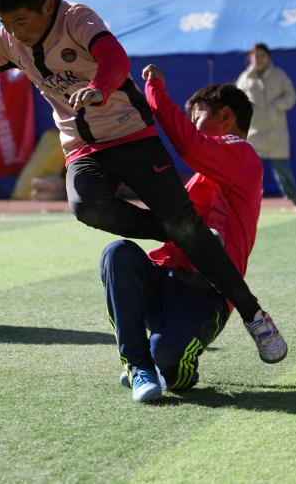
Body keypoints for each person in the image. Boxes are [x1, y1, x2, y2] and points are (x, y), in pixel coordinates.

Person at [0, 0, 287, 364]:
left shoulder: (77, 19)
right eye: (5, 23)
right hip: (82, 148)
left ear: (47, 5)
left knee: (184, 227)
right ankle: (176, 236)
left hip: (132, 136)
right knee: (86, 205)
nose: (14, 32)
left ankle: (253, 315)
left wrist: (99, 89)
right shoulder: (8, 41)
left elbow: (115, 58)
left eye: (21, 21)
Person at [102, 67, 269, 402]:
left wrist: (155, 90)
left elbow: (189, 145)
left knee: (169, 361)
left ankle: (168, 364)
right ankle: (138, 365)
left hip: (204, 297)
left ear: (225, 116)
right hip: (165, 281)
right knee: (117, 253)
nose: (192, 126)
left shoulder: (242, 153)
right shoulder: (204, 175)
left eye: (197, 118)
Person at [236, 43, 296, 212]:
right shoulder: (244, 78)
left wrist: (278, 105)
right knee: (249, 170)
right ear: (250, 57)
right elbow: (236, 101)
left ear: (269, 57)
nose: (259, 59)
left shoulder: (279, 75)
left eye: (263, 55)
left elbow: (291, 95)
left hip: (276, 132)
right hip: (254, 133)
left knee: (283, 170)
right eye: (256, 55)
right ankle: (245, 203)